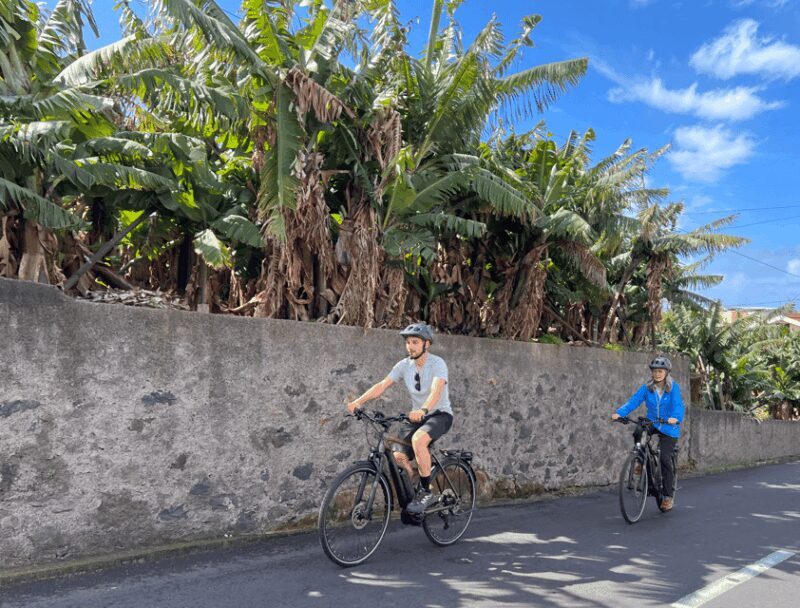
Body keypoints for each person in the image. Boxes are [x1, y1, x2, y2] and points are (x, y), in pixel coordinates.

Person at [347, 323, 453, 515]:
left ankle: (426, 491)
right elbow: (382, 385)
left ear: (426, 344)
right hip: (417, 417)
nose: (410, 346)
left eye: (415, 342)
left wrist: (424, 408)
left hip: (439, 415)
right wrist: (358, 401)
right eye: (407, 342)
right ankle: (413, 496)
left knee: (419, 440)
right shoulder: (404, 365)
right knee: (398, 457)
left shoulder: (438, 364)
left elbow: (437, 390)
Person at [612, 355, 684, 512]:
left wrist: (675, 418)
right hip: (652, 422)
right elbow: (633, 401)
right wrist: (619, 413)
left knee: (665, 458)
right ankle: (640, 459)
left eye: (660, 371)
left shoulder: (673, 388)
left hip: (669, 426)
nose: (657, 374)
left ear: (666, 372)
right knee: (639, 429)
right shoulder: (647, 388)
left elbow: (678, 405)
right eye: (654, 371)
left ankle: (667, 496)